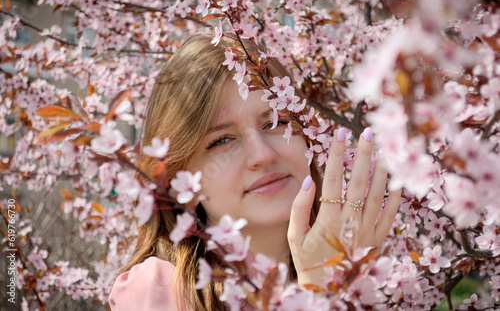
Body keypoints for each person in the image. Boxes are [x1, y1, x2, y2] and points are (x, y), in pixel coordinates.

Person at [108, 33, 401, 310]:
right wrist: (324, 294)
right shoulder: (161, 289)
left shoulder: (375, 270)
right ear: (180, 179)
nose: (262, 155)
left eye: (275, 122)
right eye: (221, 140)